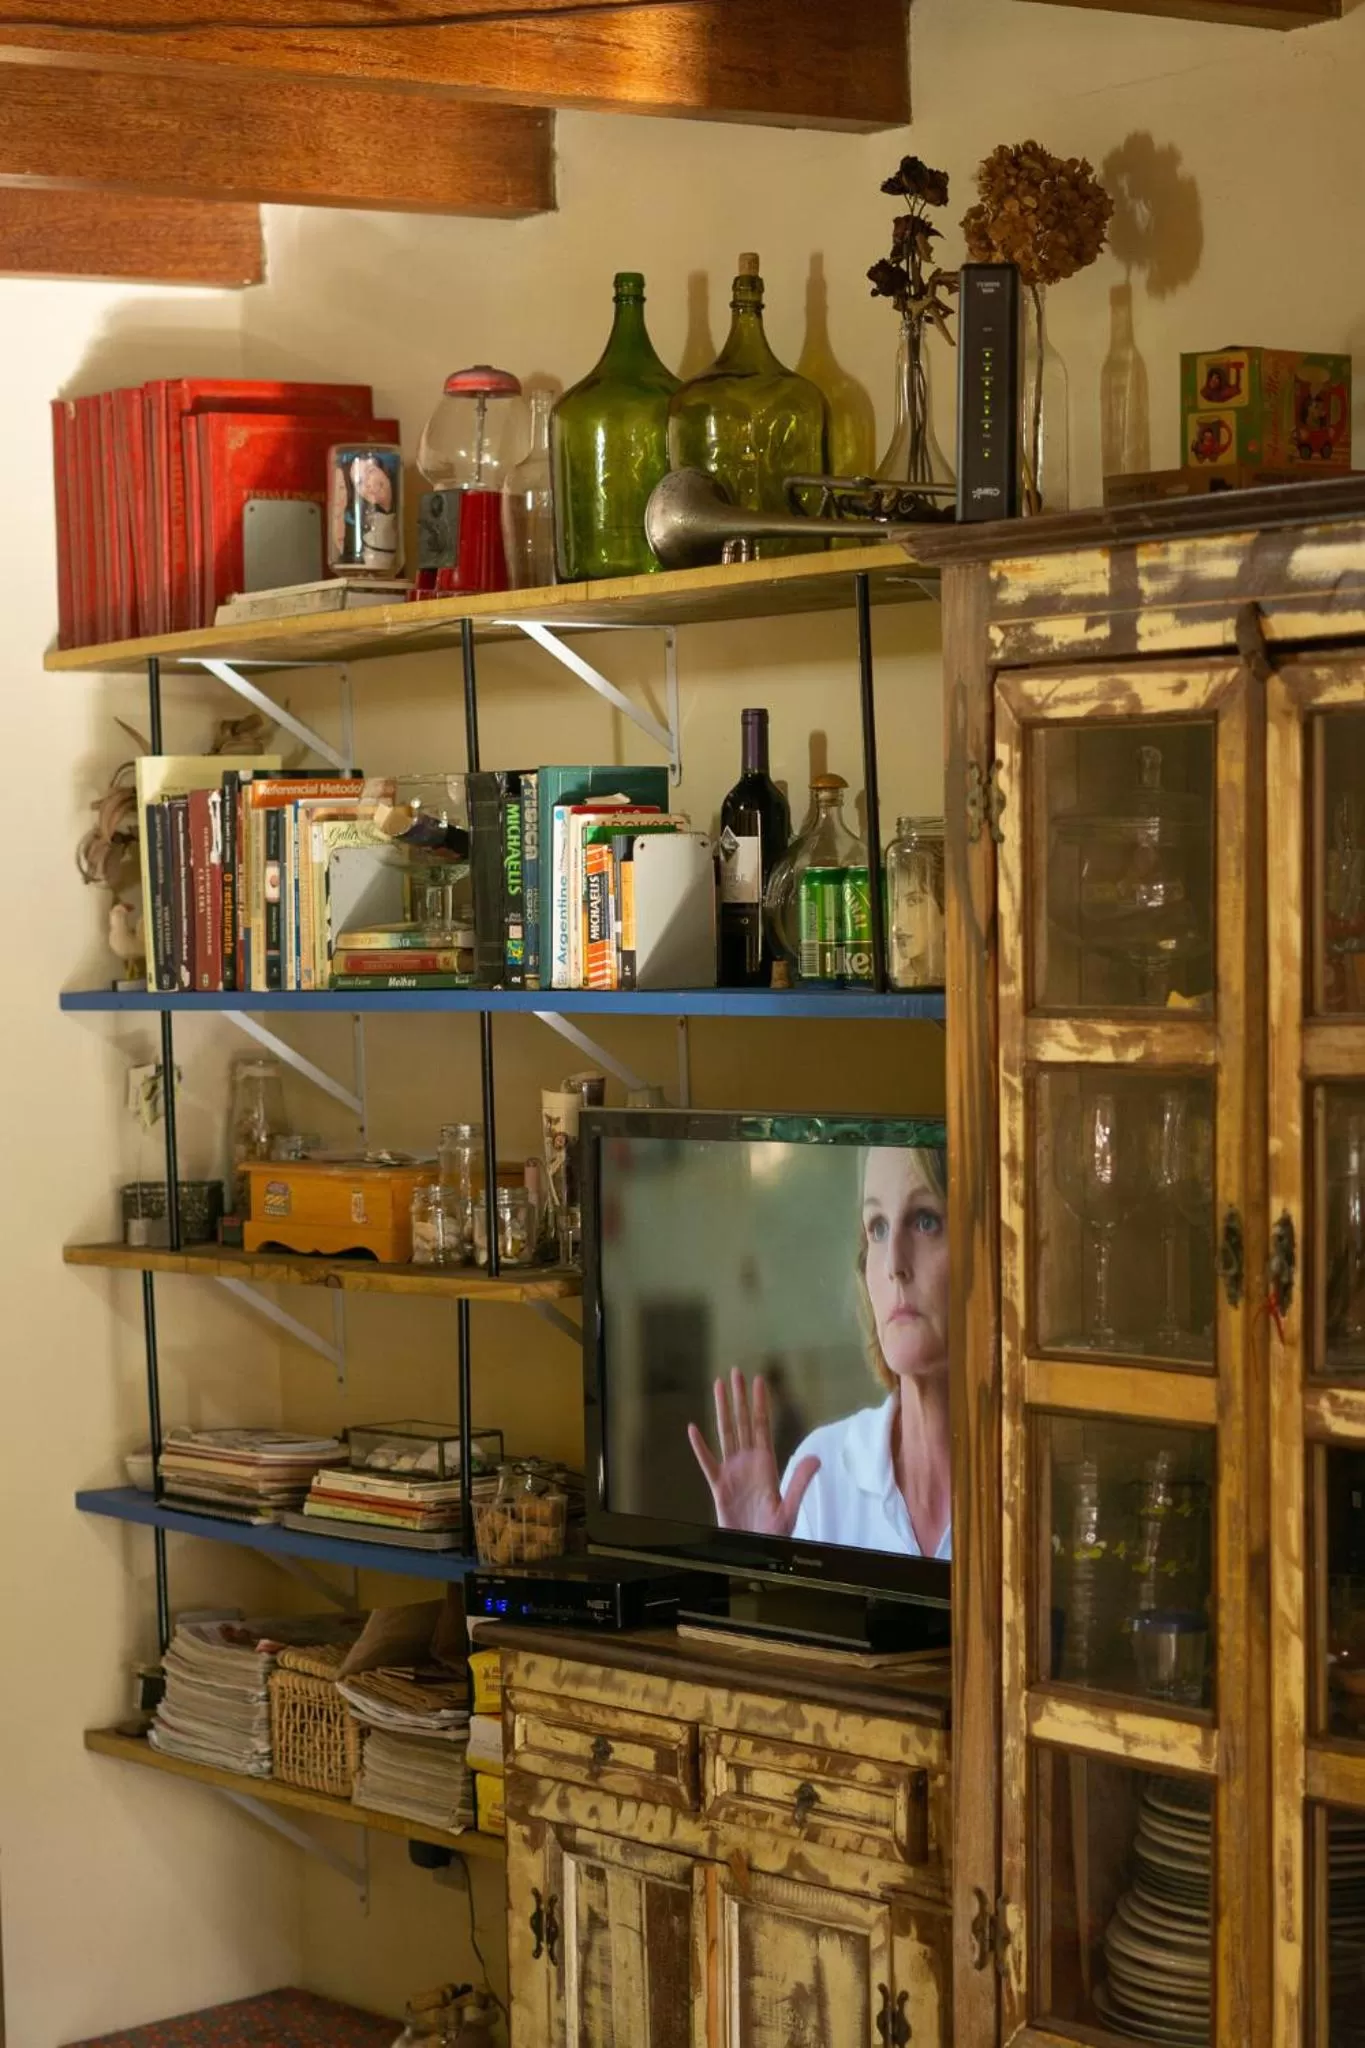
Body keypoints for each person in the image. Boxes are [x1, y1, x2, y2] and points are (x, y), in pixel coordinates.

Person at [686, 1145, 950, 1560]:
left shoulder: (1035, 1478)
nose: (893, 1263)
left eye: (925, 1221)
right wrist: (755, 1566)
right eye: (878, 1227)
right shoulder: (821, 1474)